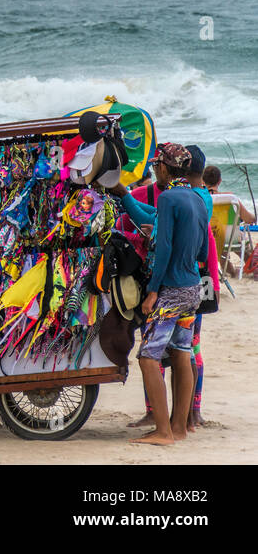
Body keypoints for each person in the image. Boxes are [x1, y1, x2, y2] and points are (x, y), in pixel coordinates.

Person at [120, 143, 209, 446]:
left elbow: (165, 249)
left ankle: (162, 431)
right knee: (183, 355)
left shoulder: (169, 197)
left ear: (166, 167)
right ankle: (180, 428)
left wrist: (154, 291)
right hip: (193, 286)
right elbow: (201, 250)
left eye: (157, 164)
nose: (155, 169)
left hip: (170, 291)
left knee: (148, 357)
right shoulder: (198, 198)